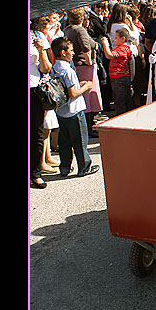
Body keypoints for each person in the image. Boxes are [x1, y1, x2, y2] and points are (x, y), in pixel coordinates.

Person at [50, 37, 100, 177]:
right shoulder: (68, 70)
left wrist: (79, 84)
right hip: (74, 110)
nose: (73, 53)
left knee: (64, 141)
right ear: (63, 52)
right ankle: (84, 166)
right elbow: (73, 93)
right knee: (79, 140)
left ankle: (65, 167)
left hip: (61, 111)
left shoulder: (55, 67)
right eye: (71, 51)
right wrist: (86, 86)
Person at [63, 7, 102, 138]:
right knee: (88, 96)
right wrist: (90, 61)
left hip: (76, 65)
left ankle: (87, 126)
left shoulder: (67, 29)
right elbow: (86, 47)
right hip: (84, 66)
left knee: (85, 96)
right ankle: (89, 127)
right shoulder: (80, 30)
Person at [30, 21, 53, 189]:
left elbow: (46, 68)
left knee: (37, 132)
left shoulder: (37, 36)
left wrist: (41, 50)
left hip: (35, 89)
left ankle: (36, 173)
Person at [100, 28, 134, 116]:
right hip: (120, 78)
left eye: (116, 38)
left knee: (120, 101)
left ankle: (122, 119)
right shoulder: (125, 48)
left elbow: (109, 55)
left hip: (119, 78)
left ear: (122, 38)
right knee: (124, 100)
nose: (115, 40)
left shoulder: (122, 49)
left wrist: (105, 44)